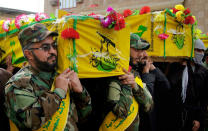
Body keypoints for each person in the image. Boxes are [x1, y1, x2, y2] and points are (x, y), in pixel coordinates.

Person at [4, 23, 92, 130]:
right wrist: (58, 92)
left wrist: (80, 93)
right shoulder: (18, 84)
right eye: (45, 47)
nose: (53, 51)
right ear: (29, 54)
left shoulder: (60, 75)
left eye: (54, 45)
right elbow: (31, 121)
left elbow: (84, 116)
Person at [129, 34, 172, 131]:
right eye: (139, 50)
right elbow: (147, 96)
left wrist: (153, 69)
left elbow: (166, 86)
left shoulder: (144, 65)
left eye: (144, 51)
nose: (144, 55)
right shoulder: (134, 69)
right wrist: (146, 73)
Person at [167, 38, 208, 131]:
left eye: (202, 51)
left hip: (194, 115)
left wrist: (199, 119)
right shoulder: (177, 66)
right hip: (177, 114)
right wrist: (182, 67)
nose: (200, 53)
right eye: (198, 50)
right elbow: (171, 86)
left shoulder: (203, 72)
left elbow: (204, 98)